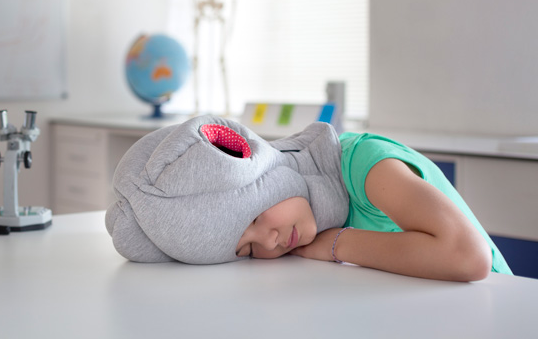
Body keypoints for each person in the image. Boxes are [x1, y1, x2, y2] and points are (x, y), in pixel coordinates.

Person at [105, 115, 511, 282]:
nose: (268, 241)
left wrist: (332, 245)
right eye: (246, 249)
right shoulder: (295, 220)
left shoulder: (364, 165)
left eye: (254, 216)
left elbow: (467, 258)